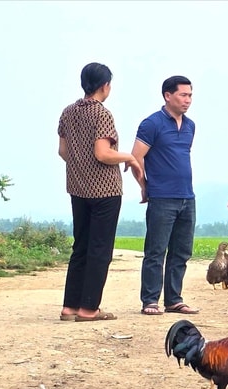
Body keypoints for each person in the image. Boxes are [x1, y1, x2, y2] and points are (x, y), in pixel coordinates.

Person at [58, 62, 142, 322]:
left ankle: (70, 306)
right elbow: (103, 153)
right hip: (105, 190)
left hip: (77, 188)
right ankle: (89, 308)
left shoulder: (68, 112)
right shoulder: (101, 114)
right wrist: (129, 157)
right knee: (100, 250)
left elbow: (63, 151)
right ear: (105, 85)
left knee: (81, 246)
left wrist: (80, 167)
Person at [132, 75, 200, 316]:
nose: (188, 100)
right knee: (156, 251)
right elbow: (135, 158)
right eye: (183, 95)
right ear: (167, 95)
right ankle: (150, 300)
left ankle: (174, 300)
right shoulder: (152, 124)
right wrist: (144, 185)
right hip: (162, 198)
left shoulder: (190, 126)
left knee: (181, 251)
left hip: (187, 196)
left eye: (190, 95)